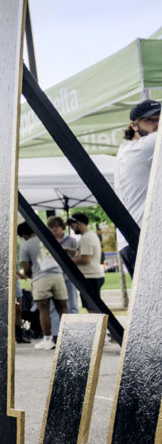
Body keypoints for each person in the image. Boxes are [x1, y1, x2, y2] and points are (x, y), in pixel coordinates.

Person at [113, 99, 159, 273]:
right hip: (142, 239)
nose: (157, 124)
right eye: (150, 120)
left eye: (159, 119)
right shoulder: (144, 148)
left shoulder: (127, 150)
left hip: (133, 240)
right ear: (133, 125)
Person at [18, 217, 76, 350]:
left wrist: (30, 275)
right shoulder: (47, 238)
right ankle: (69, 339)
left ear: (24, 235)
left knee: (43, 309)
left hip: (40, 278)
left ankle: (48, 339)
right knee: (63, 308)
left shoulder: (25, 246)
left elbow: (26, 269)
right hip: (57, 275)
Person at [69, 212, 105, 311]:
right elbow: (81, 252)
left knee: (92, 309)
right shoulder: (91, 235)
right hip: (94, 276)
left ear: (79, 224)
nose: (72, 229)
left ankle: (98, 326)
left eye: (72, 226)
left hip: (90, 277)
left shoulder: (86, 239)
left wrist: (69, 261)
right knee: (95, 307)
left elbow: (85, 259)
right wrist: (67, 250)